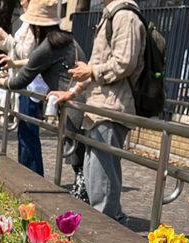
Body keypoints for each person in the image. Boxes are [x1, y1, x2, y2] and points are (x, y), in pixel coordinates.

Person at [51, 0, 145, 223]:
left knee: (102, 179)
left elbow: (125, 63)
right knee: (94, 175)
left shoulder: (125, 16)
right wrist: (72, 93)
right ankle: (107, 225)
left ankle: (109, 230)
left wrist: (92, 71)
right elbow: (95, 64)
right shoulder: (109, 15)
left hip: (112, 108)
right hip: (97, 108)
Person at [0, 0, 79, 177]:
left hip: (44, 91)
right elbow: (32, 60)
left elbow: (29, 65)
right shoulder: (67, 41)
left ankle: (34, 177)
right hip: (69, 96)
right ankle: (30, 174)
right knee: (30, 135)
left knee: (32, 135)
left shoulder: (48, 45)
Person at [0, 0, 40, 172]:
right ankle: (26, 172)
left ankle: (33, 175)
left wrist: (13, 63)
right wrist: (3, 36)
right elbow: (17, 48)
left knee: (28, 134)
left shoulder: (36, 23)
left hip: (31, 85)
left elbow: (32, 57)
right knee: (24, 133)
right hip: (23, 83)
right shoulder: (26, 21)